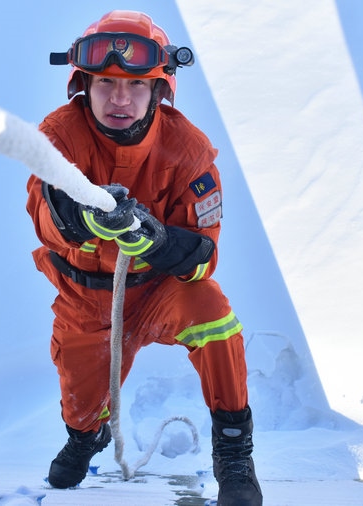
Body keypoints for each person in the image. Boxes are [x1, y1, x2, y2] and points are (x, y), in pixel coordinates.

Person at [25, 10, 262, 505]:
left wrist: (158, 241)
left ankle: (234, 452)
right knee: (81, 408)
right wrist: (84, 218)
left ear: (159, 90)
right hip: (85, 301)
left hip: (158, 292)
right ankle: (86, 436)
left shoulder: (189, 151)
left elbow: (203, 256)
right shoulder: (58, 136)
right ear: (83, 85)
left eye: (135, 84)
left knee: (213, 313)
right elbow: (44, 213)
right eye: (106, 83)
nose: (119, 99)